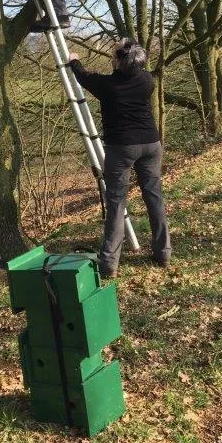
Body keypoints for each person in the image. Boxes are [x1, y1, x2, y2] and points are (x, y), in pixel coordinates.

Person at [68, 39, 171, 278]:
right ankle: (163, 252)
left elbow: (83, 76)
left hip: (121, 148)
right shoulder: (147, 81)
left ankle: (109, 264)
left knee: (116, 202)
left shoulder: (108, 86)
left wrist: (74, 60)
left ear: (117, 62)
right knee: (154, 196)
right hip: (151, 144)